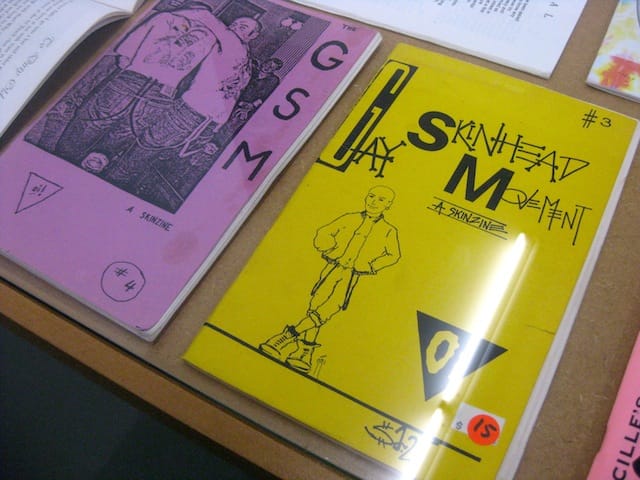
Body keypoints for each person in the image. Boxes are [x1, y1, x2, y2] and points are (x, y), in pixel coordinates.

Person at [259, 186, 401, 373]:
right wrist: (330, 247)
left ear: (388, 205)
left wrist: (370, 265)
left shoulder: (388, 230)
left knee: (329, 308)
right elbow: (324, 233)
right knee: (315, 306)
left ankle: (285, 338)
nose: (374, 202)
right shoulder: (350, 218)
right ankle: (304, 353)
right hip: (332, 269)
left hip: (351, 276)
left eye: (381, 200)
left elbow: (393, 255)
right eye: (371, 196)